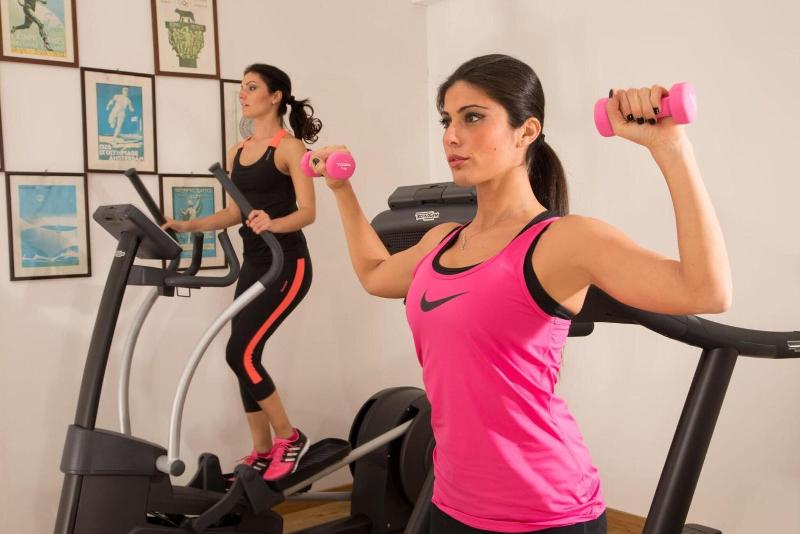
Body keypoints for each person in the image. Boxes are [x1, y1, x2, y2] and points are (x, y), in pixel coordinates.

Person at [312, 54, 731, 533]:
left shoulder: (563, 240)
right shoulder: (442, 241)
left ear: (527, 130)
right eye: (447, 120)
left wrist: (670, 147)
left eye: (473, 117)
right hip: (452, 500)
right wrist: (342, 190)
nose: (452, 136)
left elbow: (707, 290)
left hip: (544, 510)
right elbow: (374, 274)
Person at [163, 63, 321, 482]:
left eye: (252, 87)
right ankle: (262, 451)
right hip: (254, 263)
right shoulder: (238, 151)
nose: (243, 94)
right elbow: (234, 212)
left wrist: (273, 222)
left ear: (275, 96)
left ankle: (290, 438)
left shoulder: (290, 149)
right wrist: (188, 225)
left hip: (287, 263)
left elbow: (308, 212)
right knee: (243, 354)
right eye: (242, 88)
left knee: (240, 352)